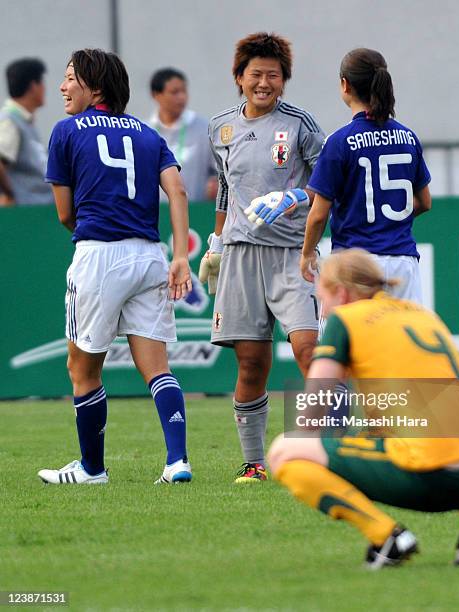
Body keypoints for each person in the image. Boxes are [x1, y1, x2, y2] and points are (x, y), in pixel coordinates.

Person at [268, 249, 459, 569]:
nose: (322, 309)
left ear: (341, 292)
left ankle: (387, 537)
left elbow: (315, 404)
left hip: (436, 476)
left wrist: (316, 450)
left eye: (321, 297)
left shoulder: (346, 318)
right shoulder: (422, 314)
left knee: (286, 451)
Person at [38, 48, 193, 485]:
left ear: (96, 87)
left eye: (71, 78)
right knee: (158, 367)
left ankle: (92, 469)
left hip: (99, 254)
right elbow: (177, 191)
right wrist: (180, 254)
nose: (63, 86)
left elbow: (65, 214)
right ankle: (177, 461)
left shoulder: (67, 130)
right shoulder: (148, 133)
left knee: (82, 369)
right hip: (148, 256)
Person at [201, 32, 325, 482]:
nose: (264, 82)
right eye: (256, 74)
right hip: (239, 255)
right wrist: (216, 243)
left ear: (284, 81)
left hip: (293, 253)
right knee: (251, 361)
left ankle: (324, 451)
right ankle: (254, 464)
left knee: (310, 349)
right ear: (239, 77)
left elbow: (329, 179)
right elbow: (226, 189)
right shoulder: (220, 127)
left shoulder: (300, 124)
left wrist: (295, 196)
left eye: (274, 75)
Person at [300, 48, 432, 303]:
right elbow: (425, 202)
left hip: (354, 265)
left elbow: (318, 215)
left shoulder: (339, 142)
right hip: (403, 263)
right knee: (400, 341)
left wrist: (307, 254)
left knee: (350, 341)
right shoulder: (408, 137)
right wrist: (388, 219)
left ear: (345, 85)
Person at [148, 67, 217, 202]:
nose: (182, 97)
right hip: (154, 214)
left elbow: (221, 171)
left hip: (195, 213)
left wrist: (216, 183)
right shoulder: (145, 130)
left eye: (184, 91)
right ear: (156, 95)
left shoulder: (205, 129)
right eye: (174, 92)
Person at [0, 57, 51, 206]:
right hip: (27, 216)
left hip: (38, 211)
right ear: (33, 86)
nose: (44, 88)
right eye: (42, 82)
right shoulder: (9, 120)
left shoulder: (23, 121)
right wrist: (11, 194)